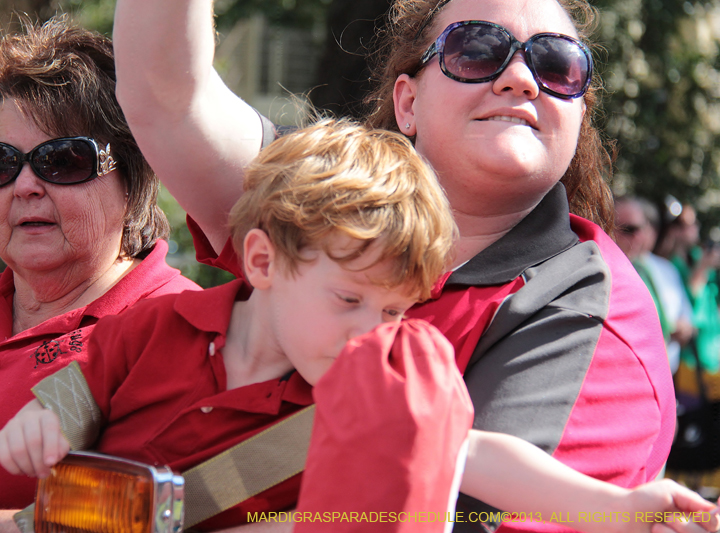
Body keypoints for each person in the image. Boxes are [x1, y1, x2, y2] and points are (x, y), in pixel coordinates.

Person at [112, 0, 676, 531]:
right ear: (407, 102)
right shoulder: (324, 200)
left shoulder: (589, 315)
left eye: (557, 64)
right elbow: (166, 93)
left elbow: (462, 490)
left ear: (579, 114)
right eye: (476, 50)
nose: (521, 78)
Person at [0, 120, 719, 533]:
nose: (374, 332)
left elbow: (471, 453)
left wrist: (615, 508)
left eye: (396, 310)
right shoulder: (158, 323)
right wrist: (40, 425)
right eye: (349, 299)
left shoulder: (366, 387)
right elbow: (69, 397)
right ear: (263, 260)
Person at [0, 15, 198, 531]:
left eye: (63, 160)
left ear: (133, 178)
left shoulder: (177, 329)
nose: (24, 185)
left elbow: (151, 518)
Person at [615, 196, 694, 374]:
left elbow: (687, 315)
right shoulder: (603, 271)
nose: (639, 236)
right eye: (629, 229)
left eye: (643, 228)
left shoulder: (666, 269)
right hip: (629, 374)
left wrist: (683, 328)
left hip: (666, 375)